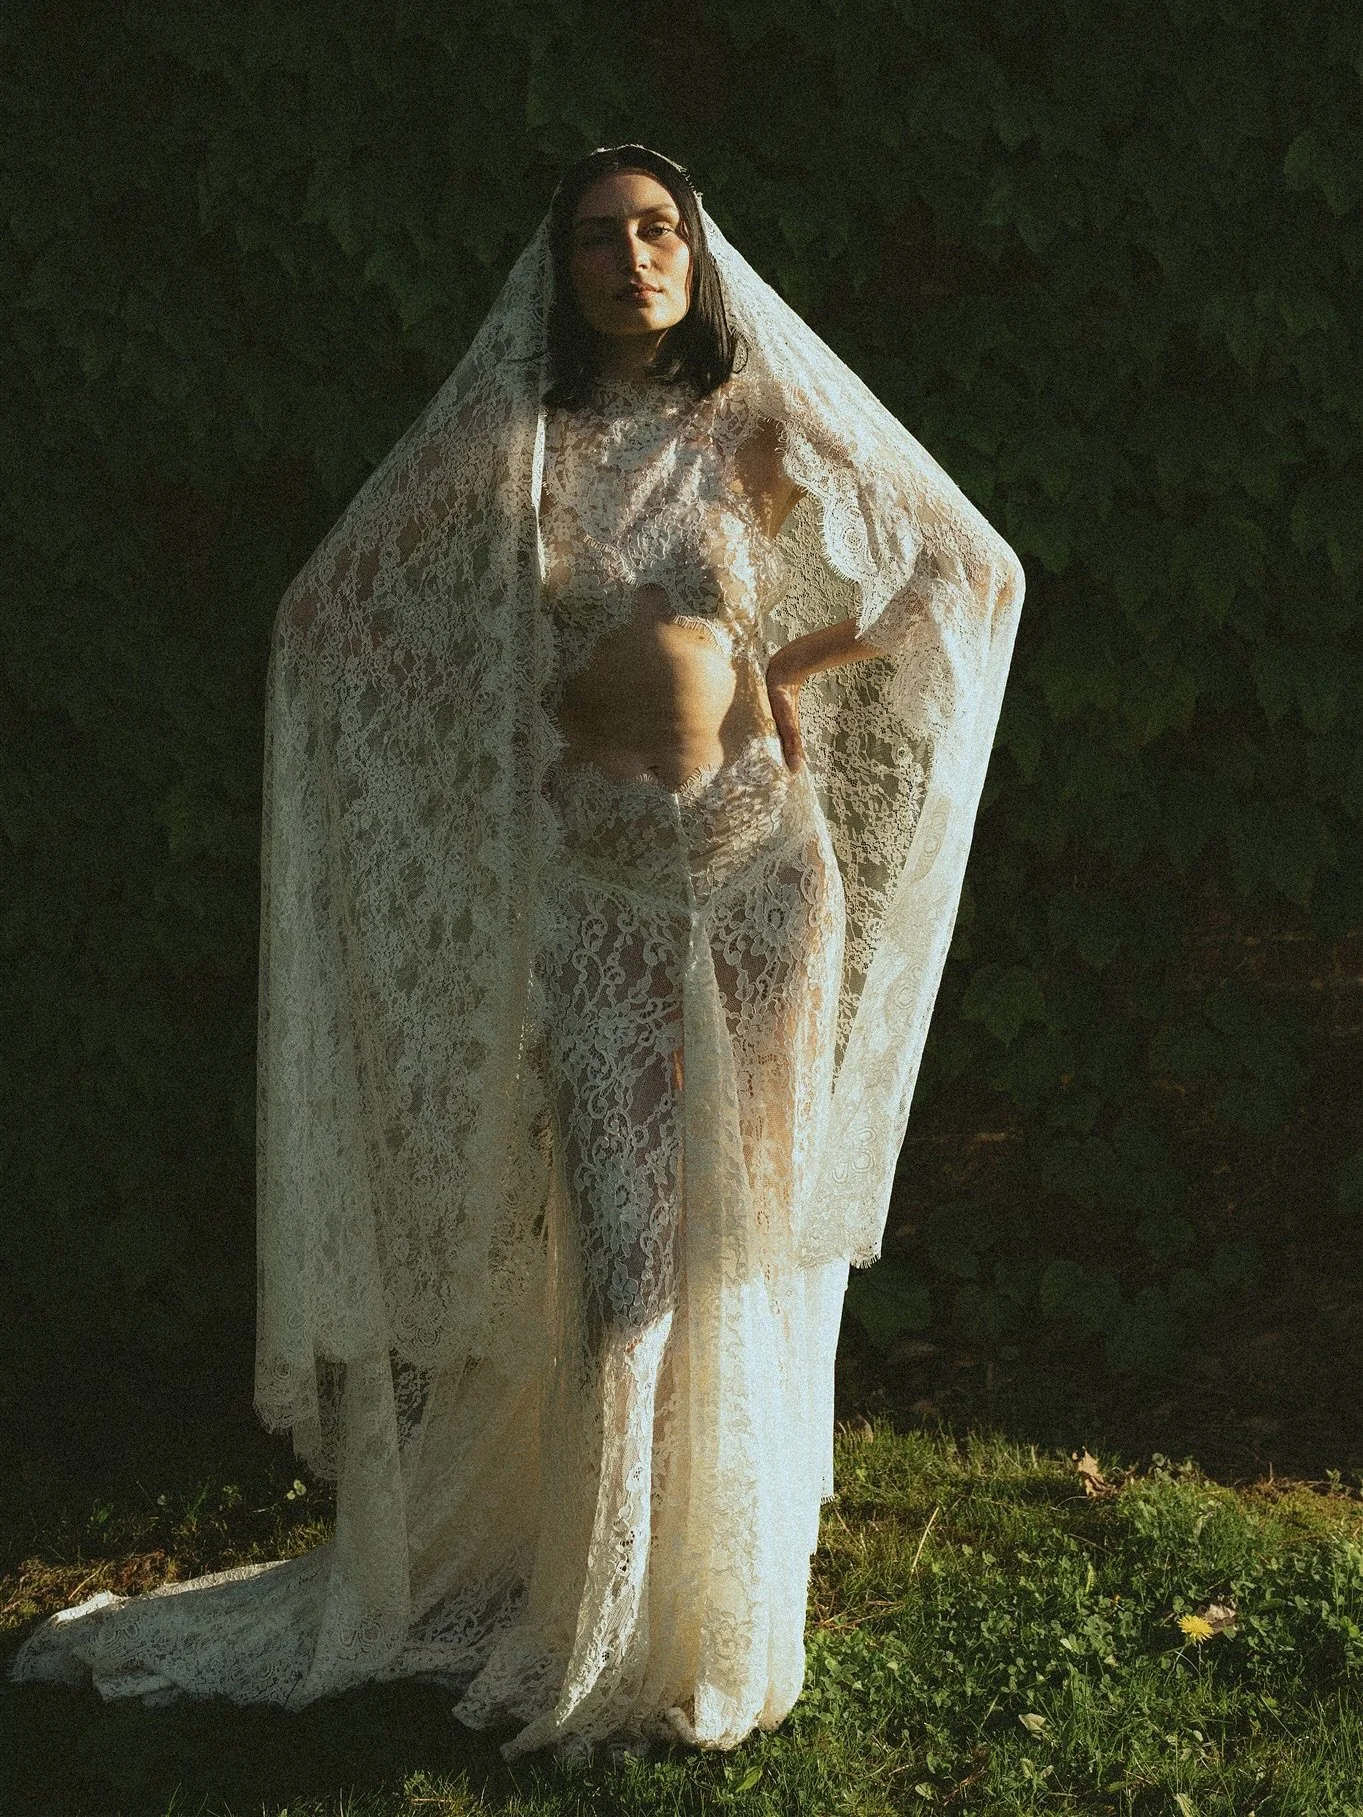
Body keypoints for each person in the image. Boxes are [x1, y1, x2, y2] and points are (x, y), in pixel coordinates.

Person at [10, 145, 1025, 1761]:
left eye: (658, 231)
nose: (634, 257)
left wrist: (784, 669)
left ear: (696, 257)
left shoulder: (747, 419)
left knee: (742, 1237)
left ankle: (717, 1607)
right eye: (600, 238)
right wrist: (497, 735)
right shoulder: (517, 446)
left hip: (762, 872)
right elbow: (329, 615)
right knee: (625, 1250)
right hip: (601, 888)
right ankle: (601, 1615)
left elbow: (957, 565)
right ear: (555, 272)